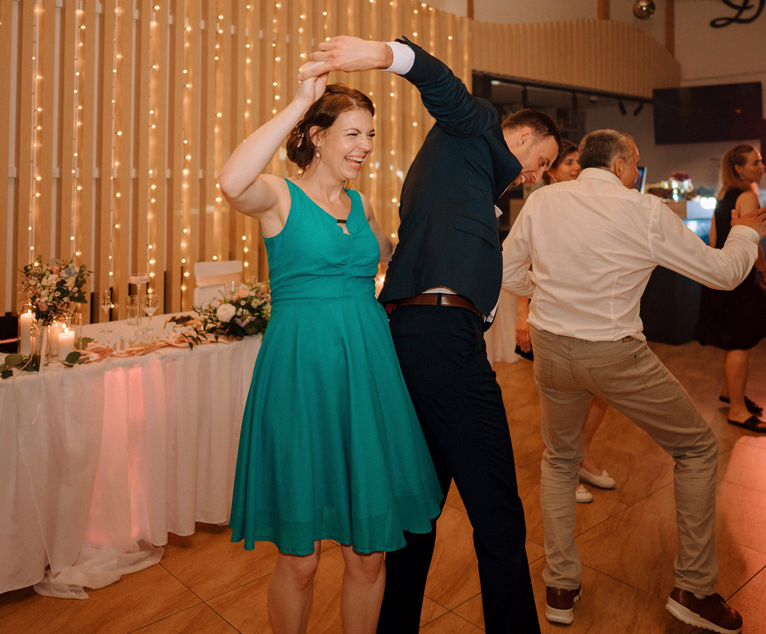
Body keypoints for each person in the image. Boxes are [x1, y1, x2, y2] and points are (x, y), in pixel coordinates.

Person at [301, 35, 558, 634]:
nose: (536, 175)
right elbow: (445, 87)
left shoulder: (461, 178)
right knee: (498, 514)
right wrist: (384, 54)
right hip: (443, 337)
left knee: (418, 511)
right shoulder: (478, 130)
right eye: (541, 160)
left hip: (417, 337)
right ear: (520, 136)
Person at [504, 129, 766, 634]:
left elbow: (508, 271)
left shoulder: (543, 201)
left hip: (551, 349)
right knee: (697, 448)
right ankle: (694, 589)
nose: (636, 174)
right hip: (611, 351)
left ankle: (560, 586)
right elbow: (723, 274)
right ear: (622, 165)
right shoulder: (644, 210)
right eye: (636, 164)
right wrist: (746, 234)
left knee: (560, 458)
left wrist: (549, 290)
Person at [217, 74, 442, 634]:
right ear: (317, 137)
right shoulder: (278, 197)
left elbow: (387, 253)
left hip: (367, 376)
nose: (365, 146)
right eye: (353, 134)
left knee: (369, 554)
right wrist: (298, 102)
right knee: (301, 558)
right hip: (302, 376)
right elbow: (231, 180)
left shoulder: (361, 204)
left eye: (371, 135)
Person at [514, 138, 617, 504]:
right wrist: (523, 313)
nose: (576, 167)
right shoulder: (540, 204)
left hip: (592, 316)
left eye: (578, 161)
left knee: (599, 393)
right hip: (553, 320)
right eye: (568, 162)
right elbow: (519, 264)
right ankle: (565, 466)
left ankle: (582, 457)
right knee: (563, 402)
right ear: (551, 171)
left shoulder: (591, 202)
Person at [694, 145, 766, 433]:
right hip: (739, 277)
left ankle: (730, 393)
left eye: (761, 160)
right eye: (755, 162)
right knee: (741, 342)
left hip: (722, 272)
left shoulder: (723, 195)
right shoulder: (747, 196)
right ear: (739, 169)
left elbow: (714, 238)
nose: (762, 166)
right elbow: (753, 242)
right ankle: (737, 411)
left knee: (735, 339)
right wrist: (764, 273)